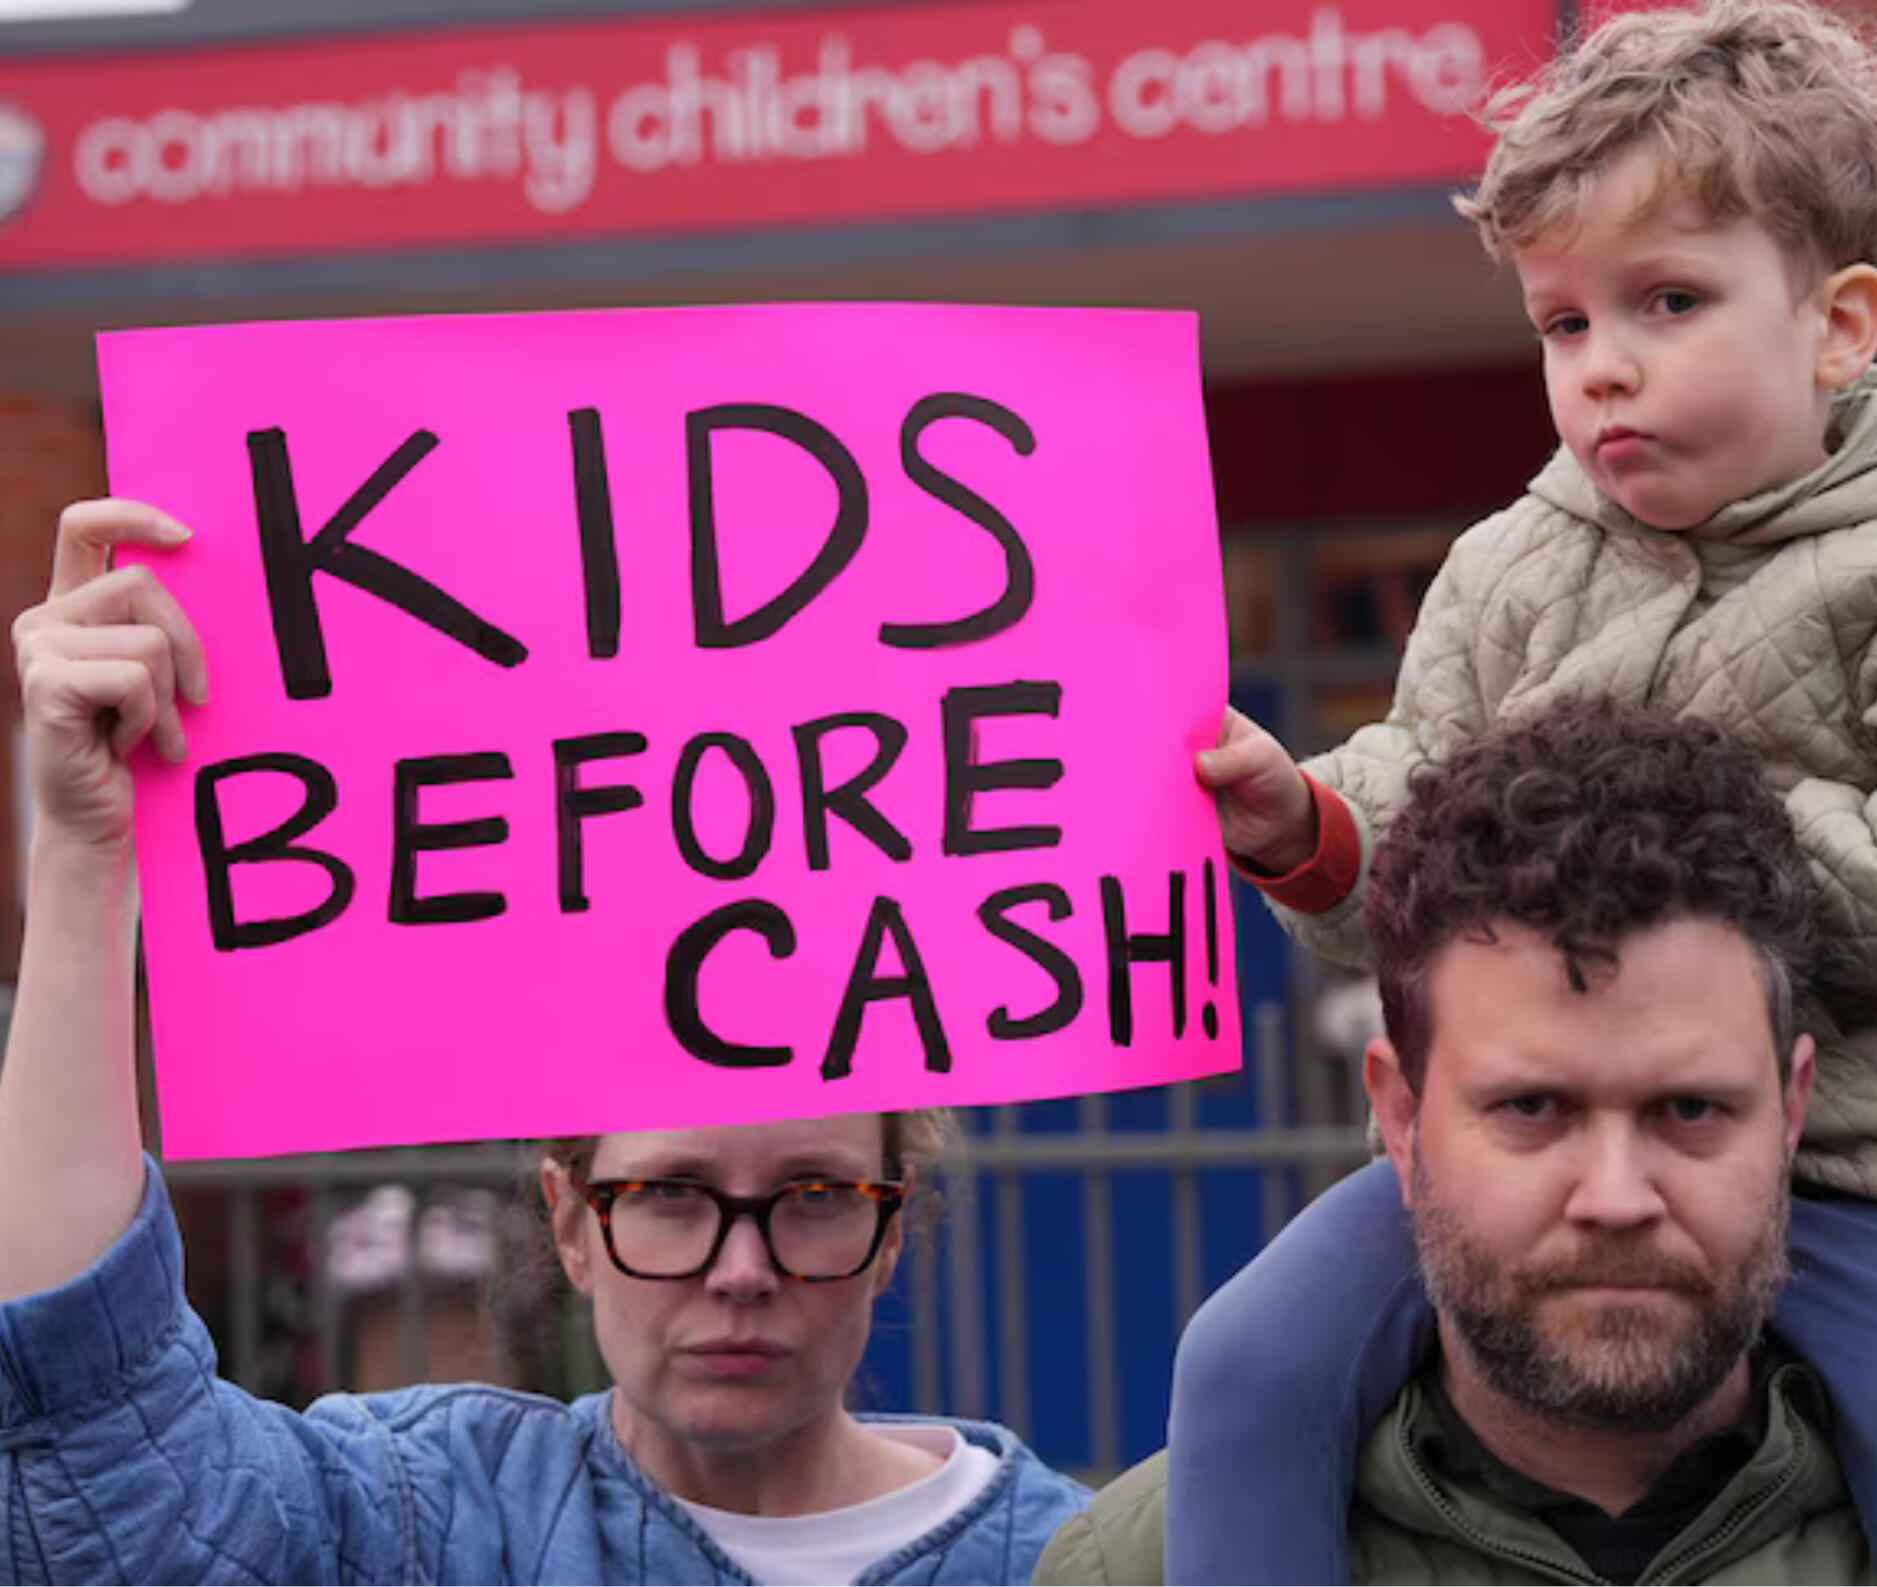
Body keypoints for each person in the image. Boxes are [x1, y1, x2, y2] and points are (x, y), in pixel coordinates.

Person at [1175, 2, 1877, 1580]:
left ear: (1838, 323)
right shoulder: (1515, 563)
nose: (1604, 367)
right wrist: (1312, 828)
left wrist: (1663, 829)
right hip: (1537, 1162)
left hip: (1876, 1177)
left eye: (1667, 301)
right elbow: (1430, 811)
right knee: (1243, 1361)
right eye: (1563, 324)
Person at [0, 498, 1087, 1584]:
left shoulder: (1087, 1561)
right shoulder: (427, 1523)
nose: (742, 1271)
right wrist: (83, 855)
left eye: (814, 1196)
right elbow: (108, 1486)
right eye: (671, 1195)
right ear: (569, 1221)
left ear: (890, 1229)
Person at [1037, 703, 1877, 1584]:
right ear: (1398, 1117)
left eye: (1689, 1111)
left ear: (1794, 1108)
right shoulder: (1138, 1570)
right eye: (1532, 1109)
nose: (1615, 1196)